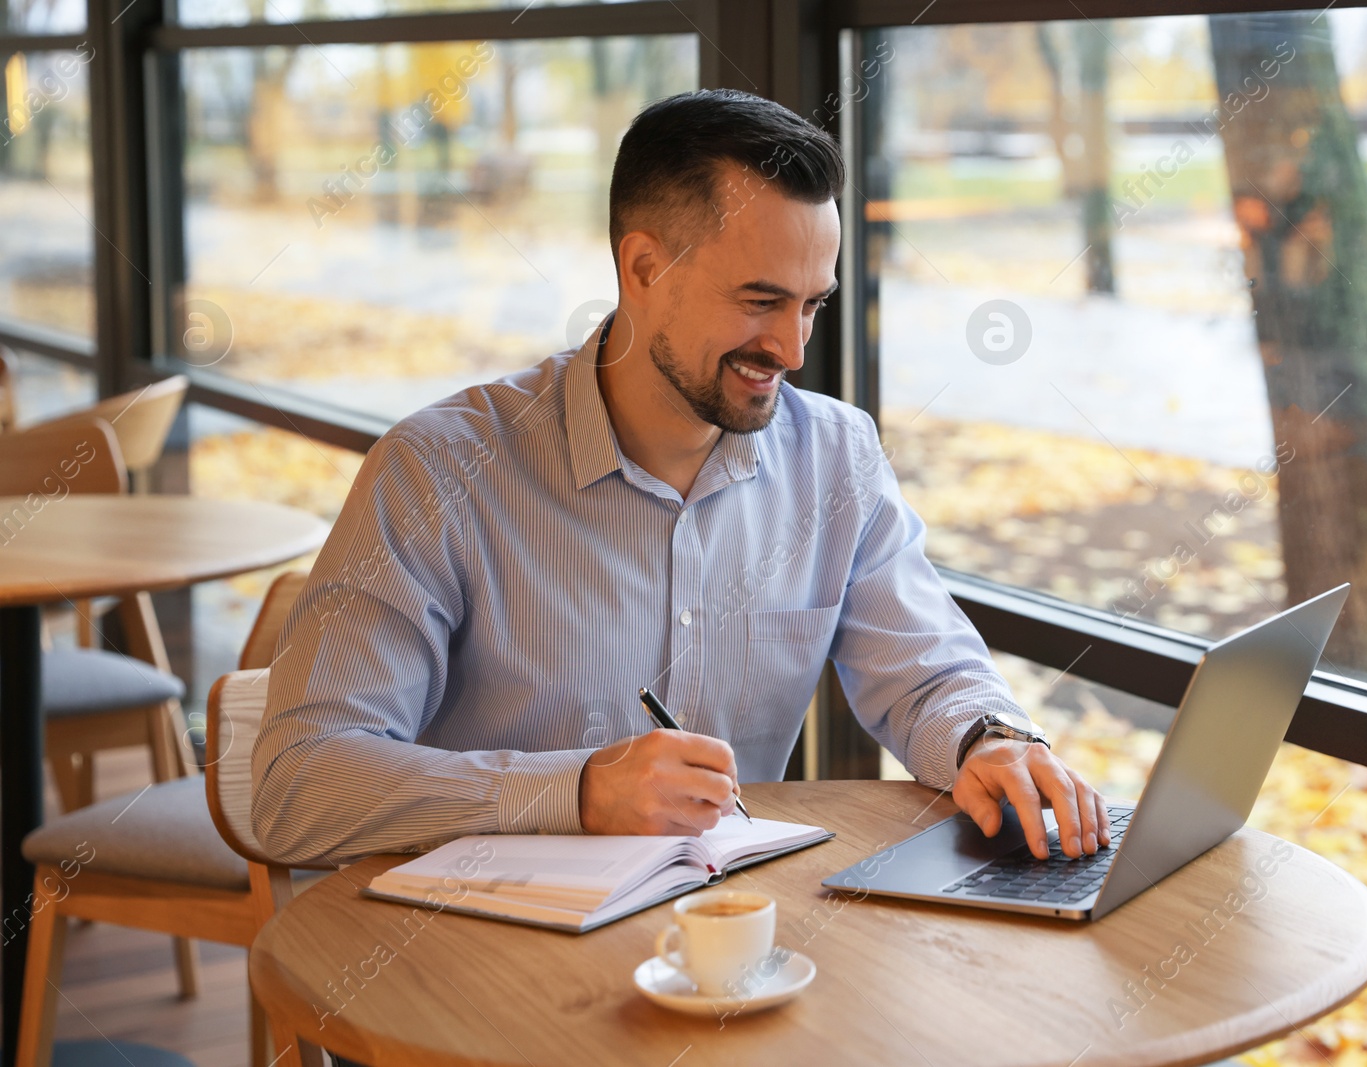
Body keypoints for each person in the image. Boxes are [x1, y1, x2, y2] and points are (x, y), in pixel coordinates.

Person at [252, 88, 1110, 867]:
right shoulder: (438, 470)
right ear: (643, 269)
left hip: (724, 959)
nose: (793, 350)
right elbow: (300, 784)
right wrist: (576, 791)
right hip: (481, 971)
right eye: (760, 300)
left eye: (812, 304)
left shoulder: (835, 457)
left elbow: (926, 672)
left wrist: (988, 740)